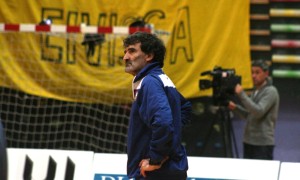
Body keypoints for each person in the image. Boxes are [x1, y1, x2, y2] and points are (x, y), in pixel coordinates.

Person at [123, 31, 192, 180]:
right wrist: (171, 144)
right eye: (125, 52)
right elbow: (185, 108)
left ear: (149, 56)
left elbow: (163, 123)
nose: (125, 57)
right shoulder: (160, 78)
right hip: (169, 170)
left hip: (155, 173)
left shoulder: (149, 81)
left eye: (132, 51)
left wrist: (156, 158)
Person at [228, 60, 279, 160]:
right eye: (252, 72)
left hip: (262, 144)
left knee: (263, 175)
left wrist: (241, 94)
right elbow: (249, 115)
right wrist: (235, 108)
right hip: (249, 141)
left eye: (257, 72)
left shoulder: (271, 91)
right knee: (248, 175)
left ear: (266, 73)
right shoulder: (255, 91)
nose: (254, 75)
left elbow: (258, 112)